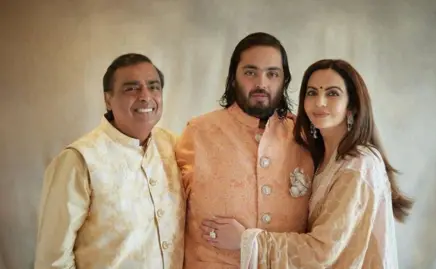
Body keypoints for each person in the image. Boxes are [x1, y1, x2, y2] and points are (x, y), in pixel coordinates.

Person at [201, 59, 414, 268]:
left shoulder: (359, 164)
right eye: (312, 93)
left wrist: (245, 240)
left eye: (332, 93)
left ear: (352, 106)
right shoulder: (322, 159)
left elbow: (323, 251)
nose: (320, 102)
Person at [175, 32, 315, 269]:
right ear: (233, 78)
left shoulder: (305, 137)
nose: (261, 83)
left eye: (272, 74)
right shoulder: (198, 132)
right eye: (250, 72)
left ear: (284, 81)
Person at [34, 53, 185, 269]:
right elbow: (52, 260)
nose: (145, 96)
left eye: (153, 87)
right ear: (108, 99)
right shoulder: (79, 160)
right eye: (131, 88)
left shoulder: (173, 146)